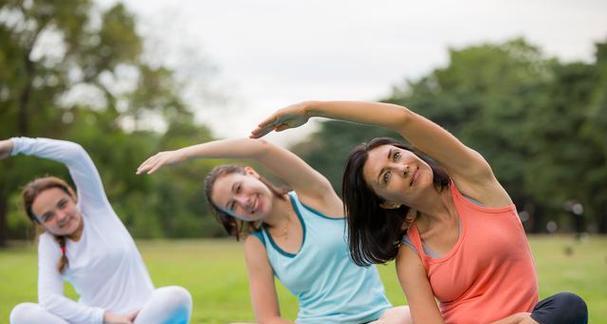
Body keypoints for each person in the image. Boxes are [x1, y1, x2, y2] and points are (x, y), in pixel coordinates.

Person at [251, 100, 588, 324]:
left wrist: (312, 108)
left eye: (396, 157)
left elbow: (404, 119)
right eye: (386, 177)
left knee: (568, 307)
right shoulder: (411, 252)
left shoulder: (476, 185)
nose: (402, 168)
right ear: (387, 201)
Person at [136, 138, 411, 324]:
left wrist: (185, 153)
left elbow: (262, 148)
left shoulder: (314, 197)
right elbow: (268, 318)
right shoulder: (258, 244)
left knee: (408, 317)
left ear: (251, 173)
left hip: (378, 319)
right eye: (233, 205)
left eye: (239, 188)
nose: (244, 201)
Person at [1, 137, 192, 324]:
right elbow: (50, 300)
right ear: (40, 224)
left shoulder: (96, 209)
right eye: (48, 216)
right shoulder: (49, 243)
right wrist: (104, 317)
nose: (60, 216)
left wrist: (14, 145)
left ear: (73, 196)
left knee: (176, 297)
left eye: (62, 204)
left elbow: (75, 154)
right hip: (97, 321)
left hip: (142, 317)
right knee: (22, 314)